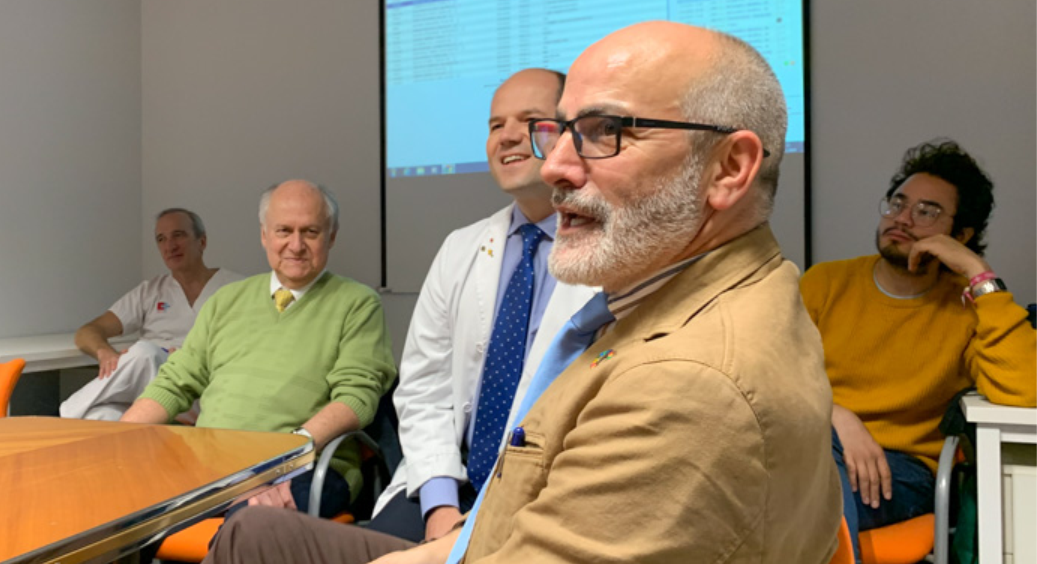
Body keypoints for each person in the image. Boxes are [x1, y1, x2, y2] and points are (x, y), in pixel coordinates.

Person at [202, 21, 841, 564]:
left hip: (496, 534)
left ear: (729, 167)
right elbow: (422, 388)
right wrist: (440, 507)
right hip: (474, 520)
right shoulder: (690, 291)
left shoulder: (688, 382)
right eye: (557, 132)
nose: (556, 163)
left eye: (603, 130)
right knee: (254, 532)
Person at [367, 68, 596, 543]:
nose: (508, 136)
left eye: (531, 120)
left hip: (547, 498)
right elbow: (423, 385)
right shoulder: (461, 248)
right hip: (447, 483)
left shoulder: (610, 253)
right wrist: (439, 504)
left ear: (572, 135)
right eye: (496, 125)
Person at [800, 139, 1037, 561]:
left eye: (927, 212)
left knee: (802, 490)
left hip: (902, 471)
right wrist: (838, 416)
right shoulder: (825, 283)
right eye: (898, 203)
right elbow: (770, 373)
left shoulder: (969, 310)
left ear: (961, 234)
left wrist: (977, 273)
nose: (903, 219)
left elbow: (1027, 394)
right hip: (812, 441)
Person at [120, 180, 397, 518]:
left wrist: (284, 459)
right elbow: (175, 380)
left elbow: (356, 397)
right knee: (114, 505)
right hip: (214, 464)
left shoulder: (357, 303)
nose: (296, 245)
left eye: (310, 232)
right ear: (265, 235)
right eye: (284, 231)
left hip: (304, 464)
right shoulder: (227, 300)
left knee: (246, 525)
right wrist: (118, 438)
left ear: (331, 236)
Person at [60, 208, 242, 421]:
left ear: (202, 242)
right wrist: (104, 352)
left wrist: (189, 358)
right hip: (149, 390)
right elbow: (87, 332)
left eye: (178, 235)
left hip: (196, 384)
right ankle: (73, 422)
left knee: (144, 353)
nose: (170, 246)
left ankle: (63, 418)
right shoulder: (151, 291)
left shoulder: (237, 288)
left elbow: (250, 349)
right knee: (100, 415)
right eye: (161, 239)